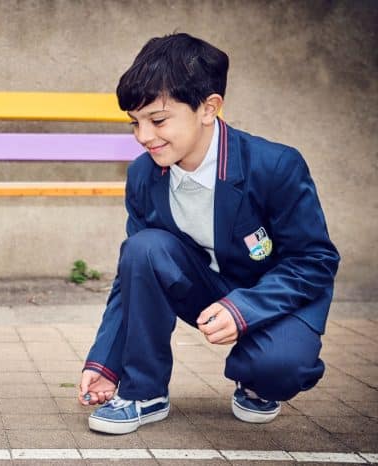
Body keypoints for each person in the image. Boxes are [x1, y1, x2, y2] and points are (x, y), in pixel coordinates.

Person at [77, 33, 339, 434]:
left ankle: (256, 378)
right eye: (135, 122)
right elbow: (133, 276)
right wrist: (105, 363)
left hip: (275, 294)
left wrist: (244, 309)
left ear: (208, 108)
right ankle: (144, 392)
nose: (143, 136)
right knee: (142, 248)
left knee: (278, 368)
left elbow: (315, 261)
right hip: (205, 288)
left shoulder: (275, 166)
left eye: (158, 120)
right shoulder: (144, 176)